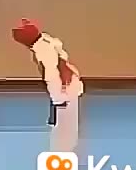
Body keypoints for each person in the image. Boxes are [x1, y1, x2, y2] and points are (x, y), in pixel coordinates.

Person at [12, 18, 83, 153]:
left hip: (64, 92)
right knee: (67, 126)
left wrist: (58, 99)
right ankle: (66, 151)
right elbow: (57, 47)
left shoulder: (43, 51)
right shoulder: (46, 42)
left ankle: (63, 154)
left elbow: (52, 75)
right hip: (70, 87)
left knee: (64, 130)